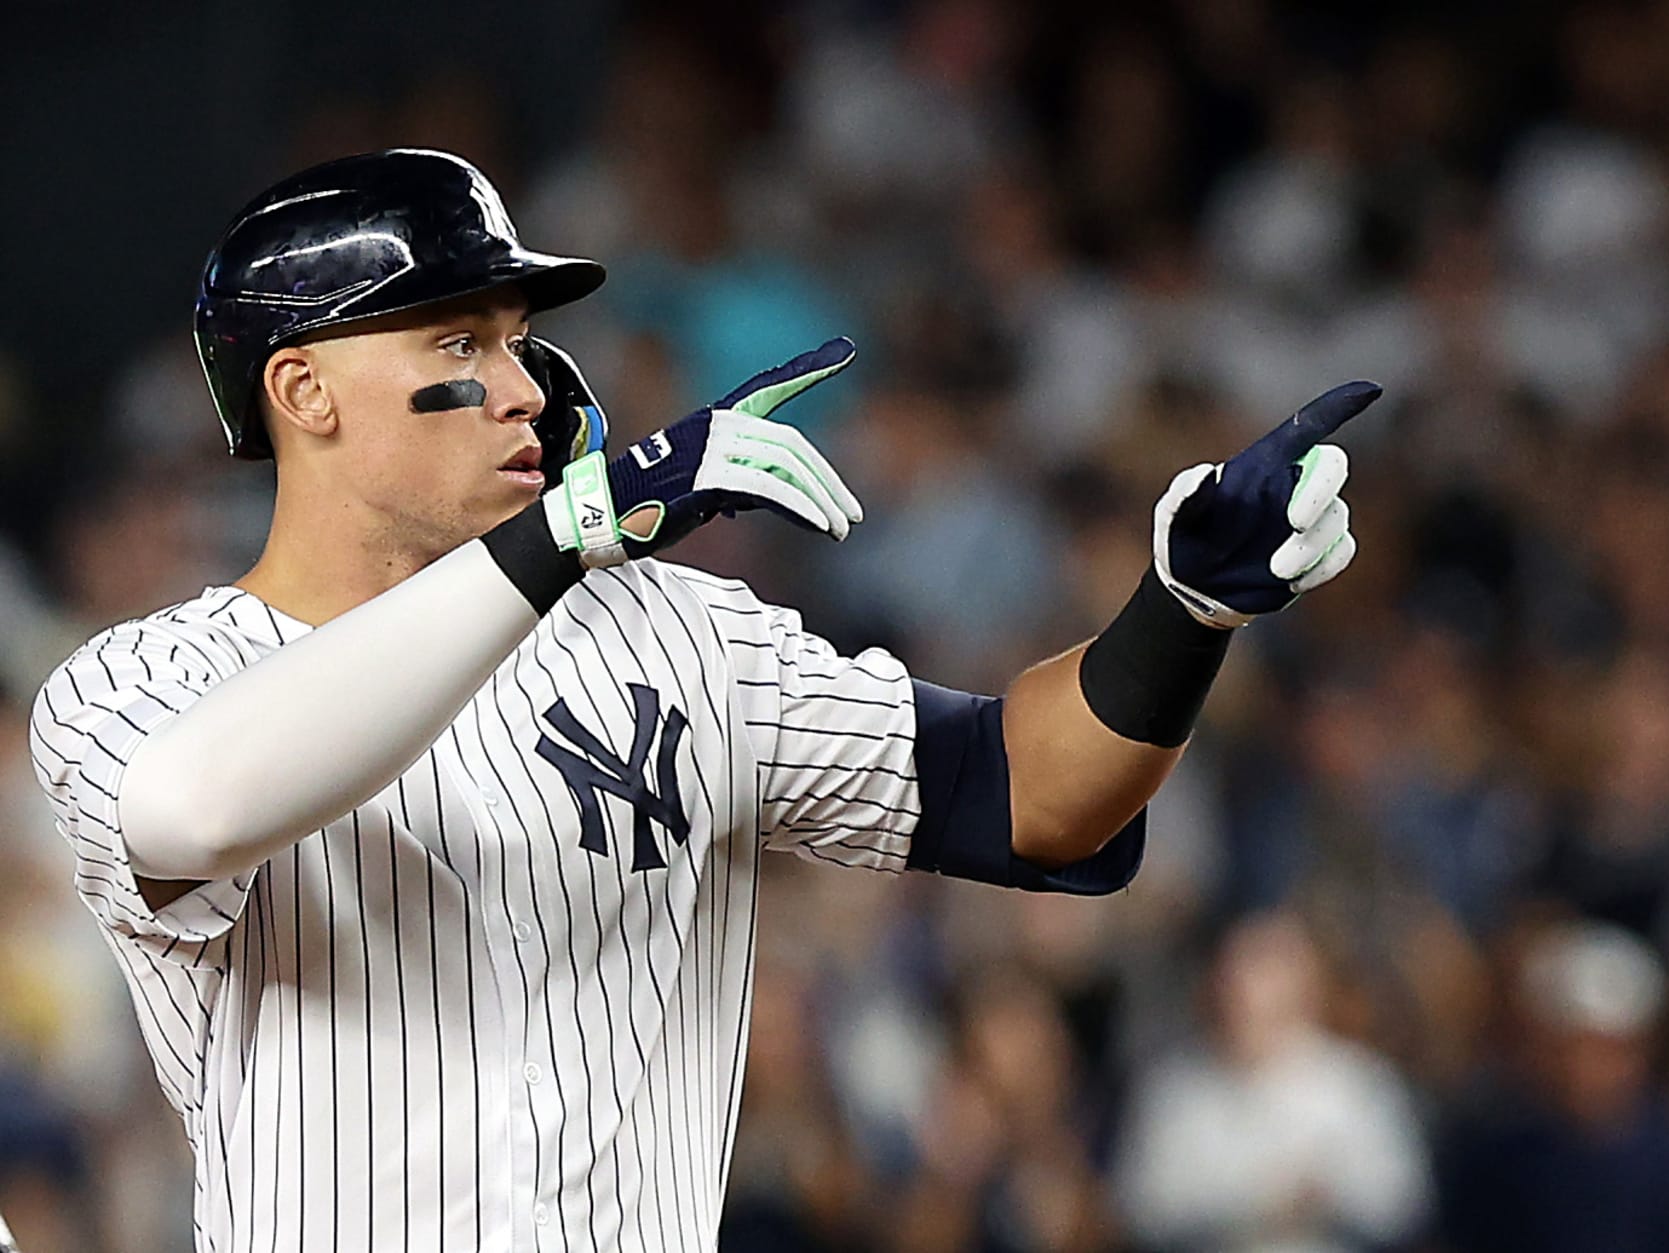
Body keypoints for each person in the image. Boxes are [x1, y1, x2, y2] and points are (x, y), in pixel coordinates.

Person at [28, 148, 1367, 1251]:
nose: (520, 384)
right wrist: (570, 533)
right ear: (303, 388)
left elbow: (1033, 794)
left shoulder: (677, 636)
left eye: (517, 336)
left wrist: (1183, 611)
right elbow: (197, 806)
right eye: (456, 337)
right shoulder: (144, 678)